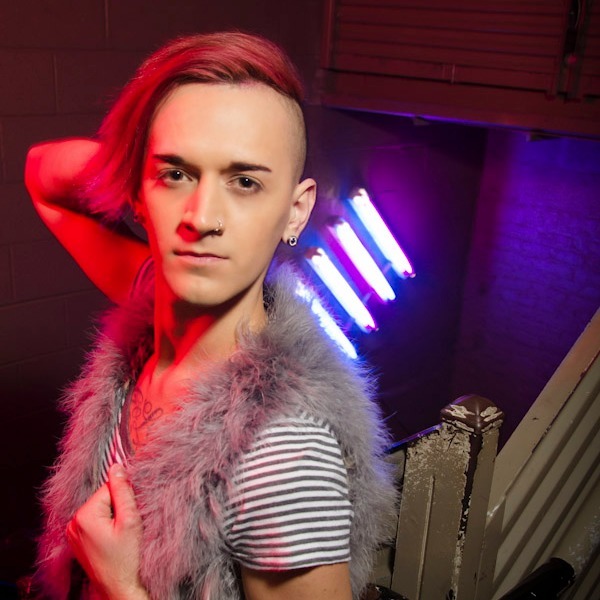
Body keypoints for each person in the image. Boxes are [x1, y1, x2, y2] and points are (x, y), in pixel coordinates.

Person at [24, 32, 397, 600]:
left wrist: (121, 586)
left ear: (295, 211)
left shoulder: (284, 456)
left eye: (245, 182)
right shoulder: (155, 295)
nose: (201, 218)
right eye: (177, 175)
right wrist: (140, 160)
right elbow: (43, 175)